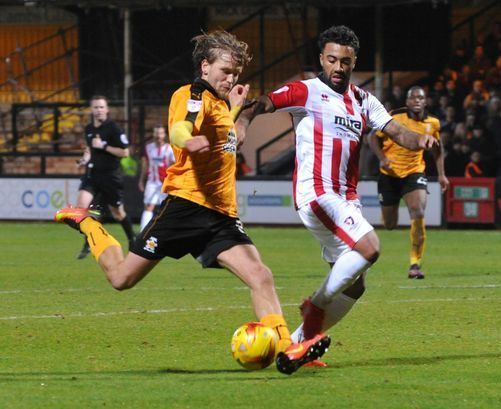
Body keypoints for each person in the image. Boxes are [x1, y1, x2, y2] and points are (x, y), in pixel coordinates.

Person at [55, 30, 328, 375]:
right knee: (121, 278)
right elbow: (180, 129)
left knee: (261, 275)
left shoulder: (220, 102)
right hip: (185, 207)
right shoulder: (192, 95)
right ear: (205, 66)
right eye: (225, 71)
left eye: (235, 73)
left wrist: (236, 108)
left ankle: (289, 349)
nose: (231, 78)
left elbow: (226, 135)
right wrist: (189, 141)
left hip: (221, 216)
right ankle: (86, 221)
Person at [238, 26, 435, 361]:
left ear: (354, 61)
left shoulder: (363, 100)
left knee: (355, 284)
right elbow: (263, 104)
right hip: (316, 192)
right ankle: (314, 309)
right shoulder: (306, 90)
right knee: (370, 247)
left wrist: (422, 141)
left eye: (345, 61)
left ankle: (297, 346)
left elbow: (397, 131)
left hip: (347, 199)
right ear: (321, 59)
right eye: (331, 60)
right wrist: (242, 122)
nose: (338, 67)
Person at [367, 86, 449, 279]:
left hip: (414, 172)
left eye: (420, 98)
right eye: (413, 98)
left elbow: (437, 149)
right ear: (407, 101)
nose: (417, 101)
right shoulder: (394, 116)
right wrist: (382, 158)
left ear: (425, 101)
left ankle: (415, 263)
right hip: (388, 173)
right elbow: (372, 137)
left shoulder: (433, 123)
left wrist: (441, 175)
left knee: (418, 211)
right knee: (389, 224)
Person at [75, 95, 136, 259]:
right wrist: (84, 160)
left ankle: (132, 238)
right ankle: (90, 242)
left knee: (118, 213)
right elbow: (89, 150)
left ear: (107, 110)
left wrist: (104, 146)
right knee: (82, 209)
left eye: (101, 107)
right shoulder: (89, 128)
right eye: (95, 107)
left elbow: (125, 152)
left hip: (110, 177)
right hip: (92, 175)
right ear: (91, 110)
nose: (98, 110)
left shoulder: (114, 129)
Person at [138, 125, 175, 231]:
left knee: (165, 208)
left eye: (160, 133)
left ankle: (165, 231)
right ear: (153, 134)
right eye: (156, 133)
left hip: (166, 183)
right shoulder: (148, 148)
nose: (158, 136)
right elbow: (145, 165)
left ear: (164, 135)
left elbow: (174, 166)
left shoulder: (169, 148)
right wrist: (141, 180)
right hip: (152, 182)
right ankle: (143, 231)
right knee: (148, 206)